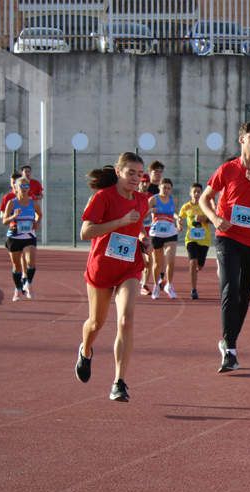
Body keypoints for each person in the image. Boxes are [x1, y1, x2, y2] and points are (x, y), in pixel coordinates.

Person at [199, 122, 250, 372]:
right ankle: (231, 350)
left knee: (244, 294)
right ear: (241, 141)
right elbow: (205, 198)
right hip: (228, 237)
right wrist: (214, 218)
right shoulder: (227, 169)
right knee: (230, 287)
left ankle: (228, 342)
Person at [75, 153, 150, 402]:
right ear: (118, 171)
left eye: (139, 174)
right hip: (102, 268)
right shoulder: (103, 198)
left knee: (126, 320)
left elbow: (136, 231)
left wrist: (143, 241)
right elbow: (85, 232)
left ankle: (119, 382)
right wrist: (119, 222)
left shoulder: (142, 201)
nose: (136, 179)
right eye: (131, 173)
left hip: (129, 267)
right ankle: (85, 351)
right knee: (96, 323)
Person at [2, 177, 42, 301]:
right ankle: (18, 289)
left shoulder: (33, 203)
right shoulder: (12, 203)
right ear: (16, 188)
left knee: (31, 262)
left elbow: (39, 214)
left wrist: (37, 222)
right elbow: (4, 221)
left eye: (26, 186)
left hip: (29, 237)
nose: (24, 189)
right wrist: (13, 216)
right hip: (14, 238)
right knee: (17, 266)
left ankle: (27, 284)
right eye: (22, 186)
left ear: (29, 188)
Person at [147, 177, 182, 299]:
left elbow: (174, 212)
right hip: (156, 233)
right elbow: (143, 212)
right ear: (159, 187)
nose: (166, 190)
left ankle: (169, 284)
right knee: (157, 262)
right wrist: (151, 210)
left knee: (171, 259)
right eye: (164, 187)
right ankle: (156, 285)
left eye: (168, 188)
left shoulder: (173, 199)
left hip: (170, 232)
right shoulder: (153, 199)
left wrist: (178, 220)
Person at [179, 182, 212, 300]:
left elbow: (214, 220)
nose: (197, 194)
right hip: (191, 239)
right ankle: (193, 289)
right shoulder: (186, 207)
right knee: (192, 262)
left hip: (204, 240)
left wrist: (205, 219)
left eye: (199, 192)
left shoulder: (206, 205)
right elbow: (180, 217)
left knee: (200, 265)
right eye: (194, 192)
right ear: (190, 193)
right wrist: (179, 224)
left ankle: (198, 267)